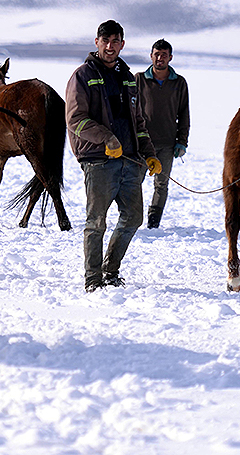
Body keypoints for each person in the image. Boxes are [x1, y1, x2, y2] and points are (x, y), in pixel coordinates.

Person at [65, 20, 162, 293]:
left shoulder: (128, 77)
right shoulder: (83, 76)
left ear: (122, 44)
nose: (110, 46)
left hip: (130, 162)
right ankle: (93, 278)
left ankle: (111, 271)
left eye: (115, 41)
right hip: (98, 161)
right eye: (105, 40)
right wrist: (105, 138)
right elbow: (75, 119)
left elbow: (138, 122)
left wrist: (150, 155)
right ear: (96, 42)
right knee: (96, 222)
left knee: (133, 218)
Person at [135, 39, 190, 229]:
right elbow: (130, 110)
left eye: (164, 55)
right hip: (142, 142)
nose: (160, 58)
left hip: (167, 142)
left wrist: (182, 141)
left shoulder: (179, 83)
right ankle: (133, 218)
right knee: (135, 182)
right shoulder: (139, 79)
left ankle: (153, 221)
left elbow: (184, 114)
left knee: (161, 184)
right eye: (157, 54)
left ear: (170, 58)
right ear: (151, 56)